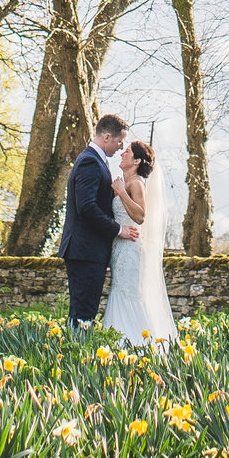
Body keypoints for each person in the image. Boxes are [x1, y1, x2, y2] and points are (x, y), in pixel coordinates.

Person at [57, 113, 137, 327]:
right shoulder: (90, 162)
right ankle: (77, 356)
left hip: (88, 250)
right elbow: (87, 207)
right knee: (83, 312)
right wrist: (118, 229)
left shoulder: (94, 160)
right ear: (107, 137)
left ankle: (77, 353)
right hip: (85, 250)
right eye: (120, 142)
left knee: (84, 311)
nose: (121, 148)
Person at [102, 137, 176, 348]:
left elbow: (141, 216)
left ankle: (138, 345)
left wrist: (122, 192)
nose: (122, 153)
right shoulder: (125, 182)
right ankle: (119, 344)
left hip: (131, 249)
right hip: (119, 248)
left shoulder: (136, 184)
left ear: (136, 161)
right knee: (119, 292)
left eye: (127, 152)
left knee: (129, 295)